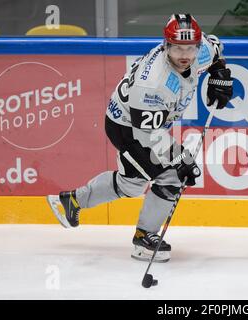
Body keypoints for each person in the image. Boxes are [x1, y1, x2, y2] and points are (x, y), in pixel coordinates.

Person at [47, 14, 233, 263]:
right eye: (177, 48)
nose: (184, 55)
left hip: (144, 124)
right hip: (128, 128)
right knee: (172, 175)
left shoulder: (199, 50)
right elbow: (148, 135)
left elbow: (217, 46)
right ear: (166, 45)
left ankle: (72, 201)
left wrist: (218, 72)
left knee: (131, 184)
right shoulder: (152, 82)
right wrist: (180, 158)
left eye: (190, 48)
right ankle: (144, 238)